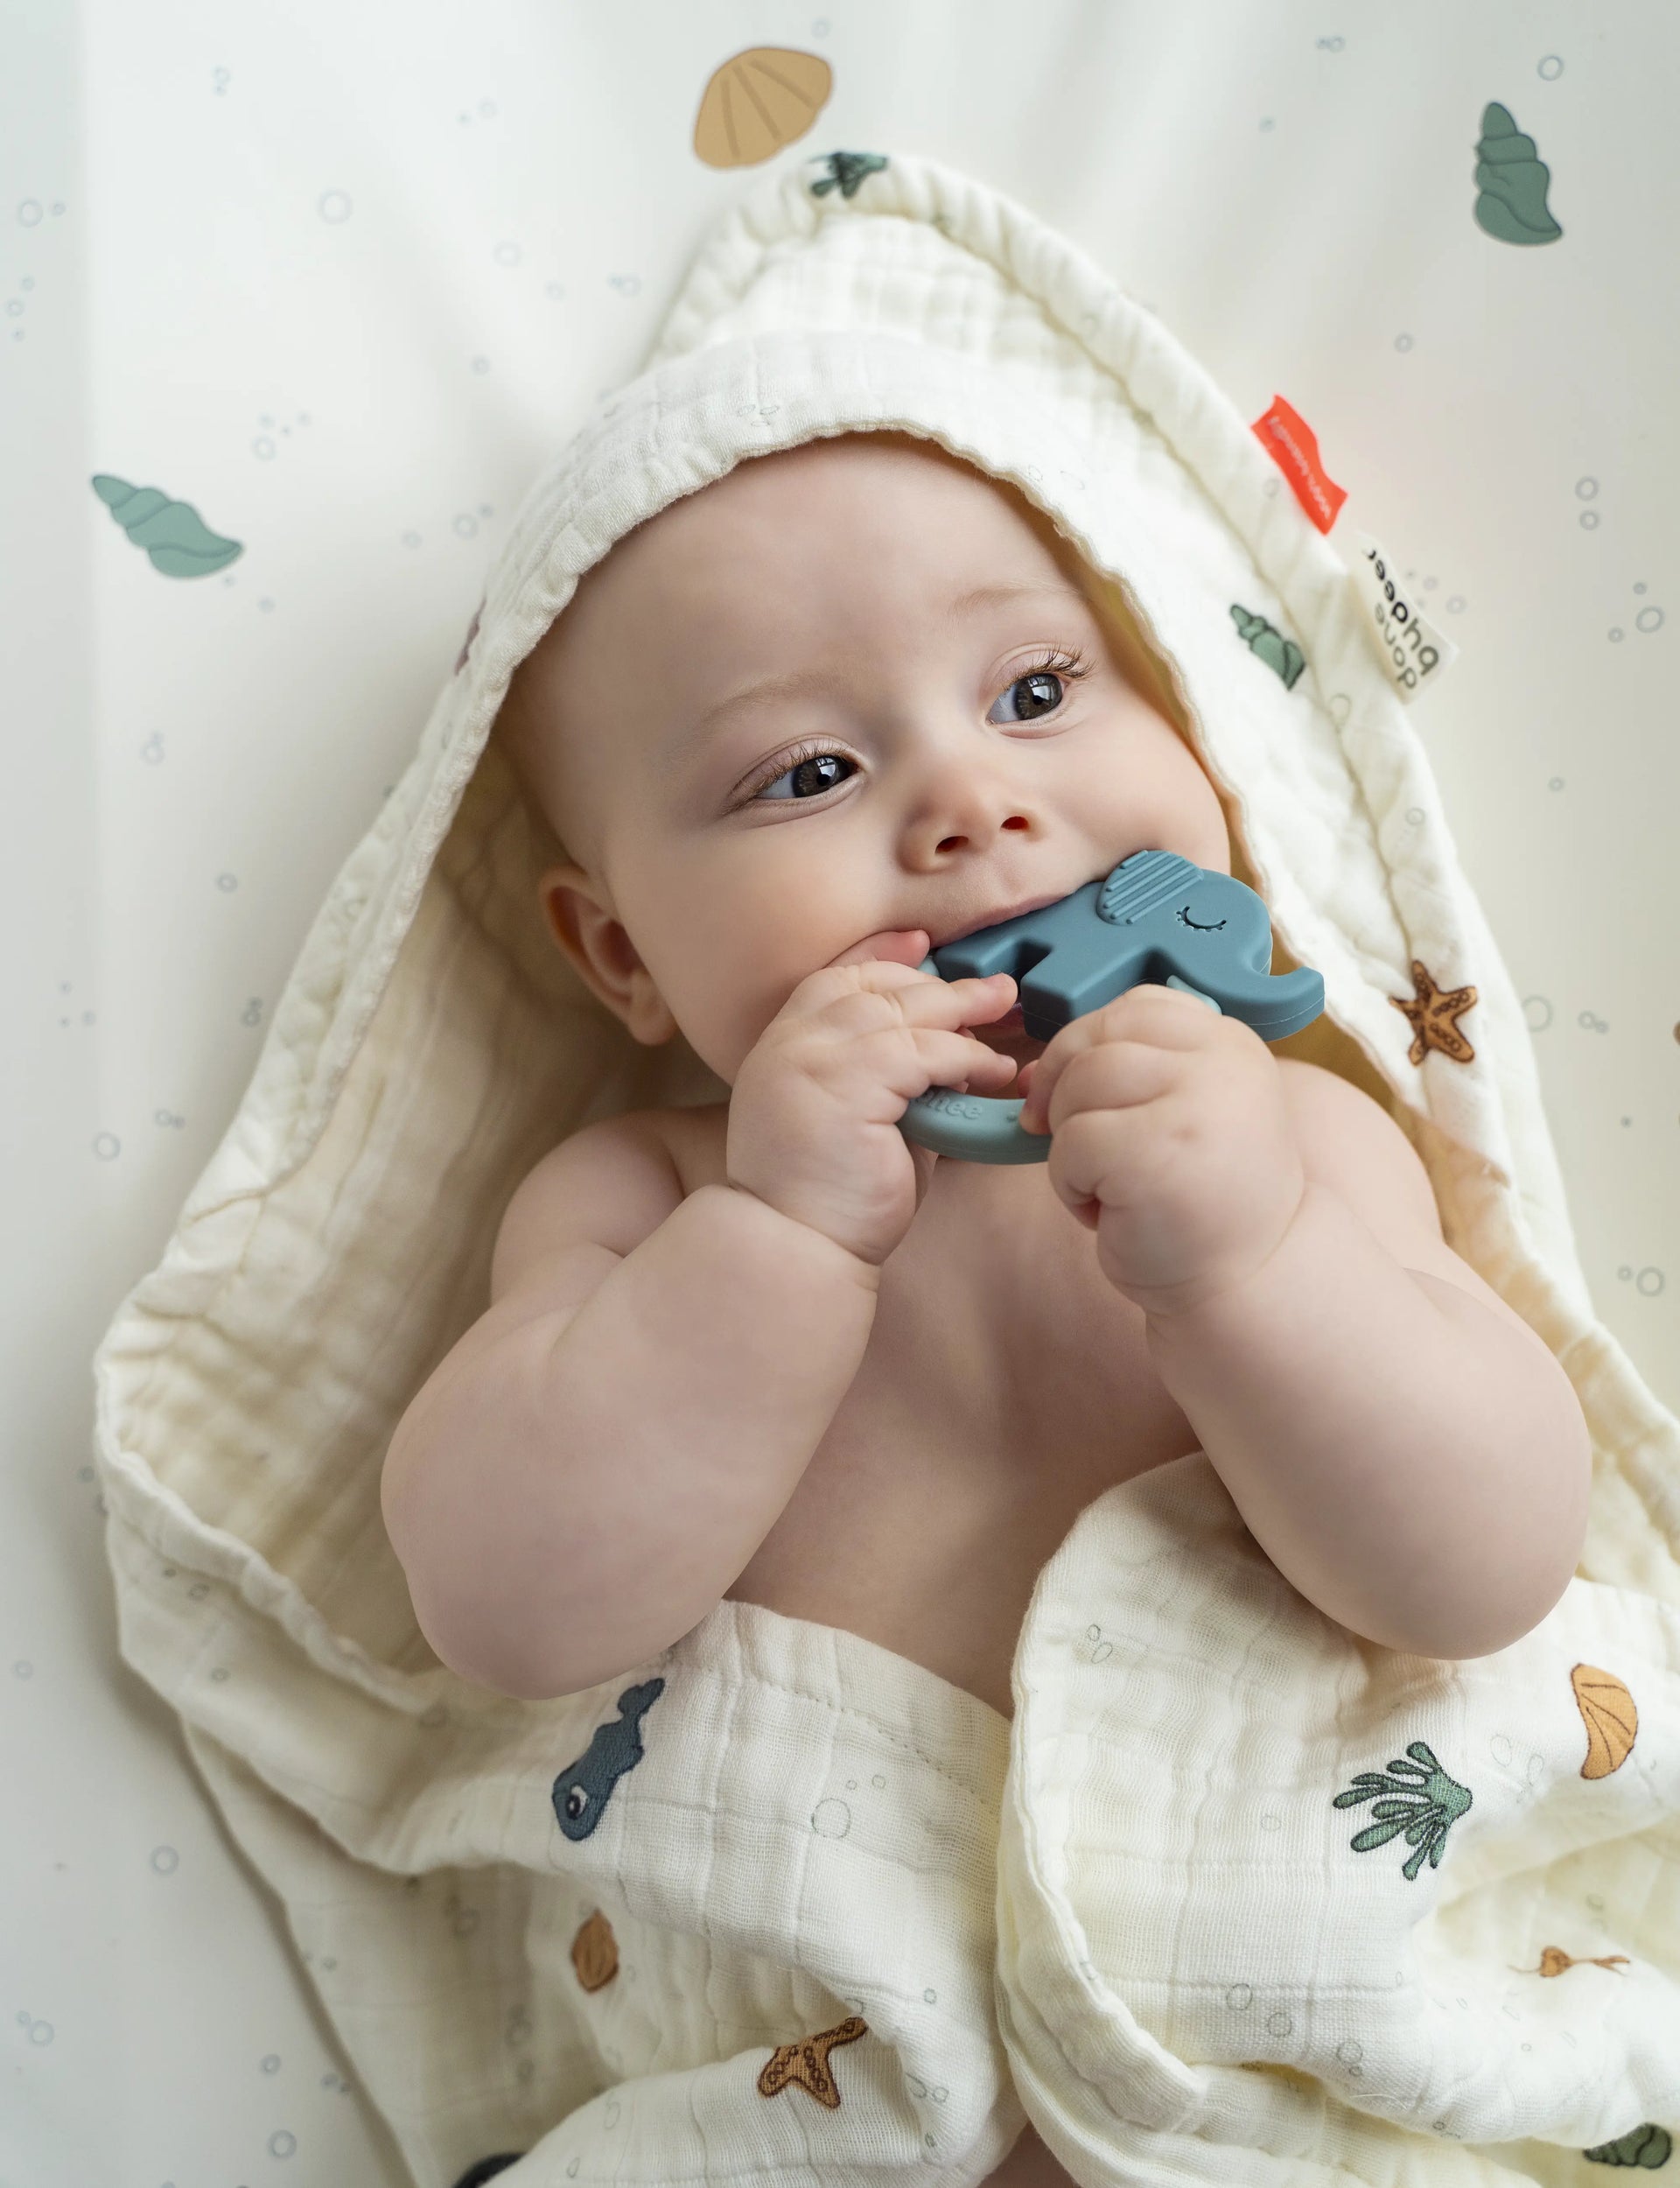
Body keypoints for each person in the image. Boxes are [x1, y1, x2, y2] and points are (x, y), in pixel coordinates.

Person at [379, 426, 1590, 2186]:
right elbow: (497, 1605)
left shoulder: (1298, 1145)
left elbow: (1485, 1570)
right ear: (622, 954)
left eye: (1036, 684)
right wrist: (778, 1231)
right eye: (806, 771)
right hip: (814, 2118)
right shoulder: (642, 1207)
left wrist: (1254, 1264)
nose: (968, 801)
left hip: (1284, 2100)